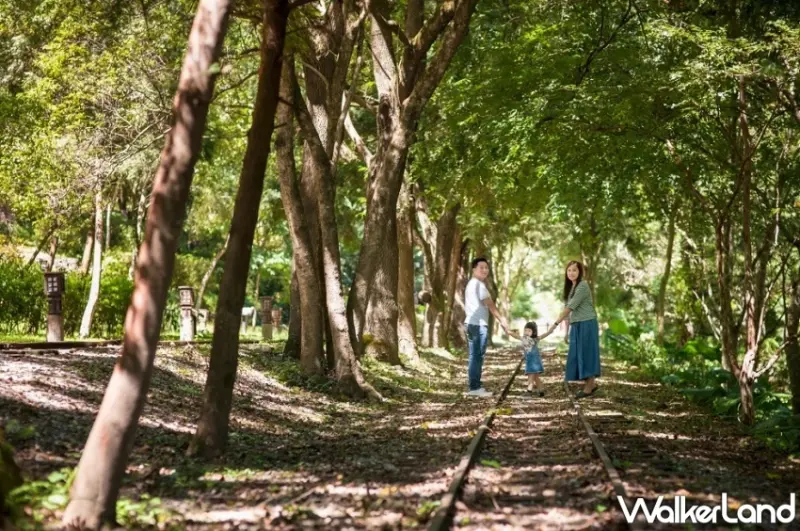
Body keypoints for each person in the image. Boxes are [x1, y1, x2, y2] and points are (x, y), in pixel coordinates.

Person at [547, 261, 601, 398]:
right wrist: (566, 332)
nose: (571, 273)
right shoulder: (572, 287)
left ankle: (589, 386)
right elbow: (570, 312)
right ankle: (590, 384)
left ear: (580, 272)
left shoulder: (582, 286)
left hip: (587, 323)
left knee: (586, 354)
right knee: (578, 354)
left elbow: (570, 308)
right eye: (569, 270)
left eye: (574, 270)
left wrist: (555, 324)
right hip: (577, 325)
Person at [464, 257, 510, 397]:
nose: (484, 270)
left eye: (486, 268)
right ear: (474, 269)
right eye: (481, 267)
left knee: (475, 356)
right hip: (477, 325)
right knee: (476, 356)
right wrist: (502, 320)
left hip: (473, 324)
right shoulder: (478, 285)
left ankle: (475, 386)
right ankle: (475, 388)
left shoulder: (472, 284)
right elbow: (490, 304)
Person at [508, 321, 553, 396]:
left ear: (534, 332)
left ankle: (529, 392)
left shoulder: (535, 340)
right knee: (536, 378)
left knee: (531, 378)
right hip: (532, 362)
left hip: (533, 362)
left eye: (529, 331)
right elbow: (515, 336)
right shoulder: (523, 338)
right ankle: (541, 391)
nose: (526, 332)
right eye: (525, 330)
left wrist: (549, 331)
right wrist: (508, 331)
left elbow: (543, 335)